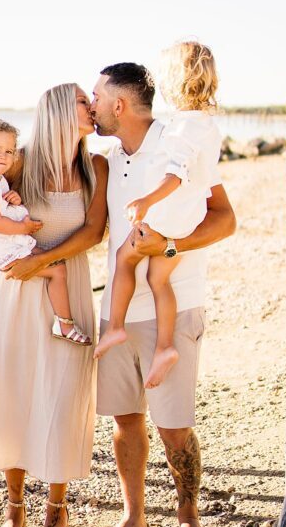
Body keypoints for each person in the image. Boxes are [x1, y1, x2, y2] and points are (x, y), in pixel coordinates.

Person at [89, 61, 236, 527]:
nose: (92, 104)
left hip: (172, 305)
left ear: (119, 104)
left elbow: (225, 219)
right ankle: (134, 516)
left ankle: (188, 518)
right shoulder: (107, 156)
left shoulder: (180, 143)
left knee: (174, 425)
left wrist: (170, 246)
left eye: (96, 96)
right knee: (125, 420)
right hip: (118, 310)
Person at [0, 84, 108, 527]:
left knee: (63, 392)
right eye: (81, 101)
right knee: (14, 390)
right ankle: (14, 505)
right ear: (56, 110)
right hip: (16, 290)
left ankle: (57, 505)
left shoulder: (96, 167)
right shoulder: (18, 162)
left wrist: (43, 260)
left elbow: (94, 231)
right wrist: (5, 255)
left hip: (66, 286)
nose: (91, 108)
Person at [93, 42, 222, 389]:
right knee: (157, 279)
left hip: (167, 222)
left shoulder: (176, 133)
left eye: (95, 98)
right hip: (179, 217)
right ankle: (159, 345)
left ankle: (119, 328)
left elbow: (183, 180)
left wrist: (156, 221)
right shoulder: (204, 126)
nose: (91, 106)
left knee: (127, 258)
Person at [0, 117, 91, 345]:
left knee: (56, 268)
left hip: (5, 244)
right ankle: (65, 324)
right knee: (58, 270)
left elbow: (0, 209)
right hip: (0, 249)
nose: (4, 156)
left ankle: (63, 323)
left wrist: (13, 199)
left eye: (10, 151)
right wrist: (25, 227)